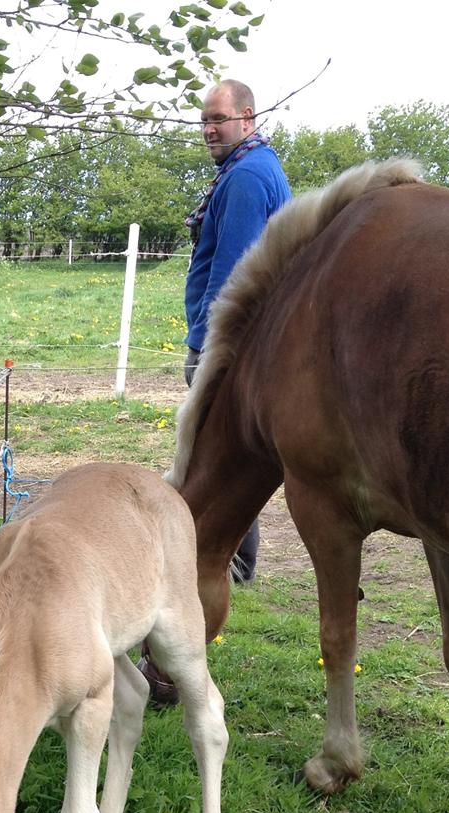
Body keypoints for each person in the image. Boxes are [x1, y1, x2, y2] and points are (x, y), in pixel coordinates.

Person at [184, 79, 291, 583]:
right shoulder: (252, 167)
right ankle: (236, 562)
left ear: (247, 117)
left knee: (224, 458)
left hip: (234, 346)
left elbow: (232, 276)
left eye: (218, 120)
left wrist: (207, 348)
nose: (208, 130)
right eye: (204, 121)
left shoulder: (247, 176)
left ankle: (231, 564)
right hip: (256, 345)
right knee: (234, 454)